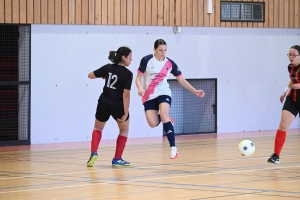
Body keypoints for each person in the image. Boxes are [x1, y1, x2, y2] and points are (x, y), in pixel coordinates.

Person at [135, 39, 205, 159]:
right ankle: (167, 119)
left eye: (165, 50)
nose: (163, 52)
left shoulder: (170, 63)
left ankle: (173, 148)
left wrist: (195, 91)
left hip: (164, 93)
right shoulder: (146, 60)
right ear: (154, 50)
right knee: (152, 123)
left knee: (163, 115)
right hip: (149, 95)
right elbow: (138, 78)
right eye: (160, 50)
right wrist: (140, 88)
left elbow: (181, 80)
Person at [86, 46, 133, 167]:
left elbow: (90, 75)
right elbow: (126, 94)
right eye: (130, 57)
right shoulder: (128, 74)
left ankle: (94, 152)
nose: (131, 60)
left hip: (103, 101)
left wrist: (103, 75)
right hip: (117, 104)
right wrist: (126, 112)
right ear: (123, 57)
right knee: (124, 129)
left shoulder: (108, 67)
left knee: (98, 128)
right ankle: (117, 159)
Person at [268, 45, 300, 164]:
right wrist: (285, 91)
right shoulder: (291, 67)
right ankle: (276, 156)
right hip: (293, 99)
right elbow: (293, 79)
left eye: (294, 55)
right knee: (283, 125)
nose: (291, 57)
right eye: (289, 55)